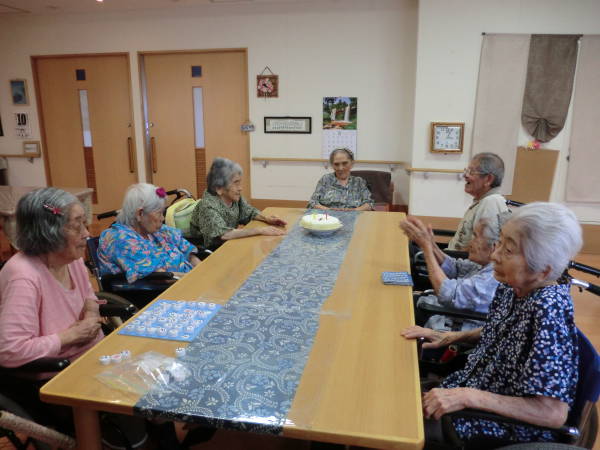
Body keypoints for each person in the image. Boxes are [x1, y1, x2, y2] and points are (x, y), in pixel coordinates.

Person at [402, 202, 583, 446]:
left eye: (508, 250)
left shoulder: (549, 311)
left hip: (491, 425)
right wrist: (449, 336)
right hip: (465, 389)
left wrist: (467, 396)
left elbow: (552, 413)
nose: (494, 255)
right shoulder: (513, 286)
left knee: (394, 425)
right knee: (394, 391)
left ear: (542, 271)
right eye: (499, 243)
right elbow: (502, 329)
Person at [0, 188, 103, 371]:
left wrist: (91, 315)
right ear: (49, 231)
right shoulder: (23, 276)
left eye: (84, 223)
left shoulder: (72, 260)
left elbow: (89, 298)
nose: (87, 233)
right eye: (77, 226)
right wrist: (71, 336)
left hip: (94, 355)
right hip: (58, 373)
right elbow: (11, 351)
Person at [400, 214, 508, 331]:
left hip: (445, 325)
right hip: (435, 309)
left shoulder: (492, 278)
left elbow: (447, 294)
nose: (471, 242)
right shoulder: (486, 264)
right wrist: (431, 244)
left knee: (396, 308)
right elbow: (456, 268)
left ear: (493, 247)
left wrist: (426, 247)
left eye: (476, 236)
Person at [98, 183, 200, 284]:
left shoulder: (158, 230)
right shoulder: (120, 239)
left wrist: (201, 272)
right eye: (159, 213)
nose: (162, 218)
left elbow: (189, 254)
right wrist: (196, 279)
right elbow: (162, 277)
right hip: (161, 291)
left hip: (187, 282)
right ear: (140, 214)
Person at [190, 157, 287, 250]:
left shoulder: (234, 198)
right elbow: (224, 234)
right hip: (208, 250)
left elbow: (249, 212)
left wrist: (266, 219)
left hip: (228, 244)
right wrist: (259, 230)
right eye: (236, 183)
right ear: (219, 188)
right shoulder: (208, 205)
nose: (240, 188)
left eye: (240, 182)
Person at [447, 152, 508, 251]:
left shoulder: (491, 203)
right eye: (467, 170)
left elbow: (481, 251)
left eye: (471, 172)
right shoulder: (484, 201)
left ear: (488, 179)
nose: (465, 175)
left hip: (459, 259)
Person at [307, 148, 374, 211]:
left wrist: (354, 211)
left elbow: (369, 203)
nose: (340, 168)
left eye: (345, 163)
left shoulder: (359, 182)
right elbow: (312, 203)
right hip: (329, 217)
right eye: (336, 164)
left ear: (352, 163)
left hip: (354, 216)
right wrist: (329, 211)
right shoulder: (326, 180)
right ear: (332, 165)